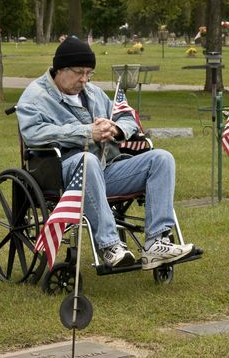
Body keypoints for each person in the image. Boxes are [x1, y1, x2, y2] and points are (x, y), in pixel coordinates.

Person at [16, 36, 194, 269]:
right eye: (79, 72)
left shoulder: (93, 93)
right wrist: (87, 132)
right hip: (62, 173)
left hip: (105, 169)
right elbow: (33, 134)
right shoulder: (35, 97)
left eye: (89, 73)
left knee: (162, 158)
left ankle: (156, 243)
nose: (85, 79)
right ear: (60, 69)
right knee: (87, 159)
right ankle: (110, 246)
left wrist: (117, 129)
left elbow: (127, 116)